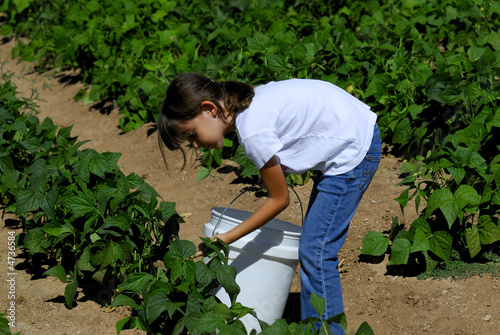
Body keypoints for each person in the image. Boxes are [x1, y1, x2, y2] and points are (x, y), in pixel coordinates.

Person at [157, 73, 381, 334]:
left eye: (192, 134)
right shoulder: (250, 104)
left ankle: (328, 332)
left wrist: (224, 239)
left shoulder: (252, 131)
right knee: (313, 247)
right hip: (350, 135)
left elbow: (280, 200)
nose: (196, 144)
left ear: (209, 108)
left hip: (352, 152)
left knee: (316, 252)